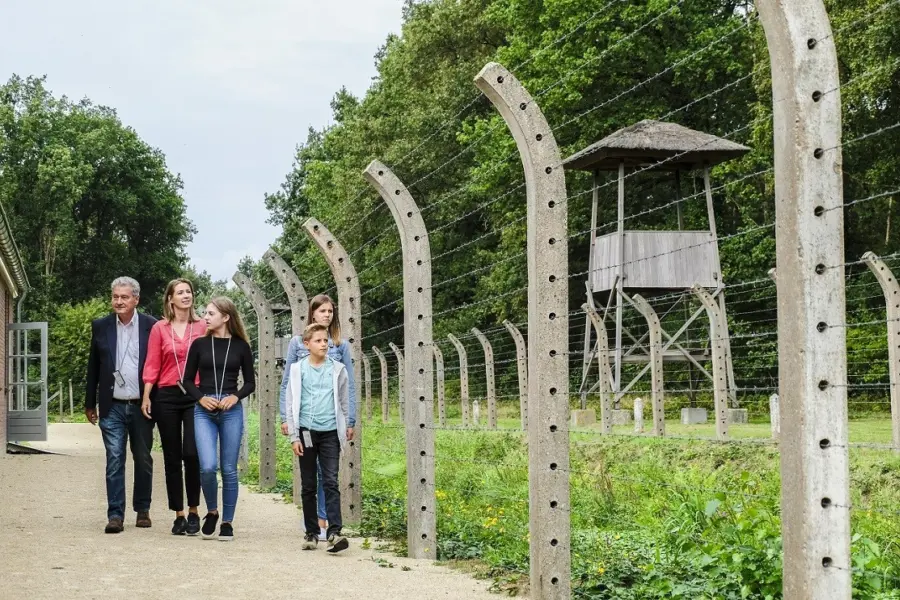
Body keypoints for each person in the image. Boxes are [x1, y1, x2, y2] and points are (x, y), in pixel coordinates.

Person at [278, 294, 356, 540]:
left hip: (331, 422)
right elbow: (288, 386)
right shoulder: (298, 344)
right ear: (312, 313)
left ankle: (329, 525)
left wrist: (350, 419)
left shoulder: (340, 346)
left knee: (330, 476)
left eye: (331, 311)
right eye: (322, 311)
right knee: (311, 477)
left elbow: (348, 386)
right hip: (306, 424)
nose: (327, 315)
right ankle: (314, 525)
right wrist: (286, 419)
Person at [85, 276, 158, 534]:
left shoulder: (152, 326)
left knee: (143, 457)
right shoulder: (101, 326)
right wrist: (89, 402)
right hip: (112, 404)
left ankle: (143, 509)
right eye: (115, 296)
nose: (118, 301)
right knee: (114, 458)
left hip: (141, 405)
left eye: (124, 297)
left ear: (136, 299)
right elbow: (93, 365)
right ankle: (115, 514)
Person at [182, 296, 255, 541]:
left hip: (230, 409)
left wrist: (235, 397)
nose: (205, 317)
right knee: (207, 466)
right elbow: (187, 381)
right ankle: (212, 510)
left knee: (228, 469)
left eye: (210, 313)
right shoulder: (200, 344)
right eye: (205, 313)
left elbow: (250, 383)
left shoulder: (241, 346)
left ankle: (227, 521)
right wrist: (201, 398)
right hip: (204, 409)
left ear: (226, 317)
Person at [141, 278, 207, 536]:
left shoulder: (202, 326)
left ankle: (194, 510)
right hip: (166, 395)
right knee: (171, 456)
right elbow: (152, 363)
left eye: (188, 291)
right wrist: (147, 395)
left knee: (191, 453)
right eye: (180, 292)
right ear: (170, 299)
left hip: (194, 394)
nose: (185, 295)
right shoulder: (160, 328)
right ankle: (178, 513)